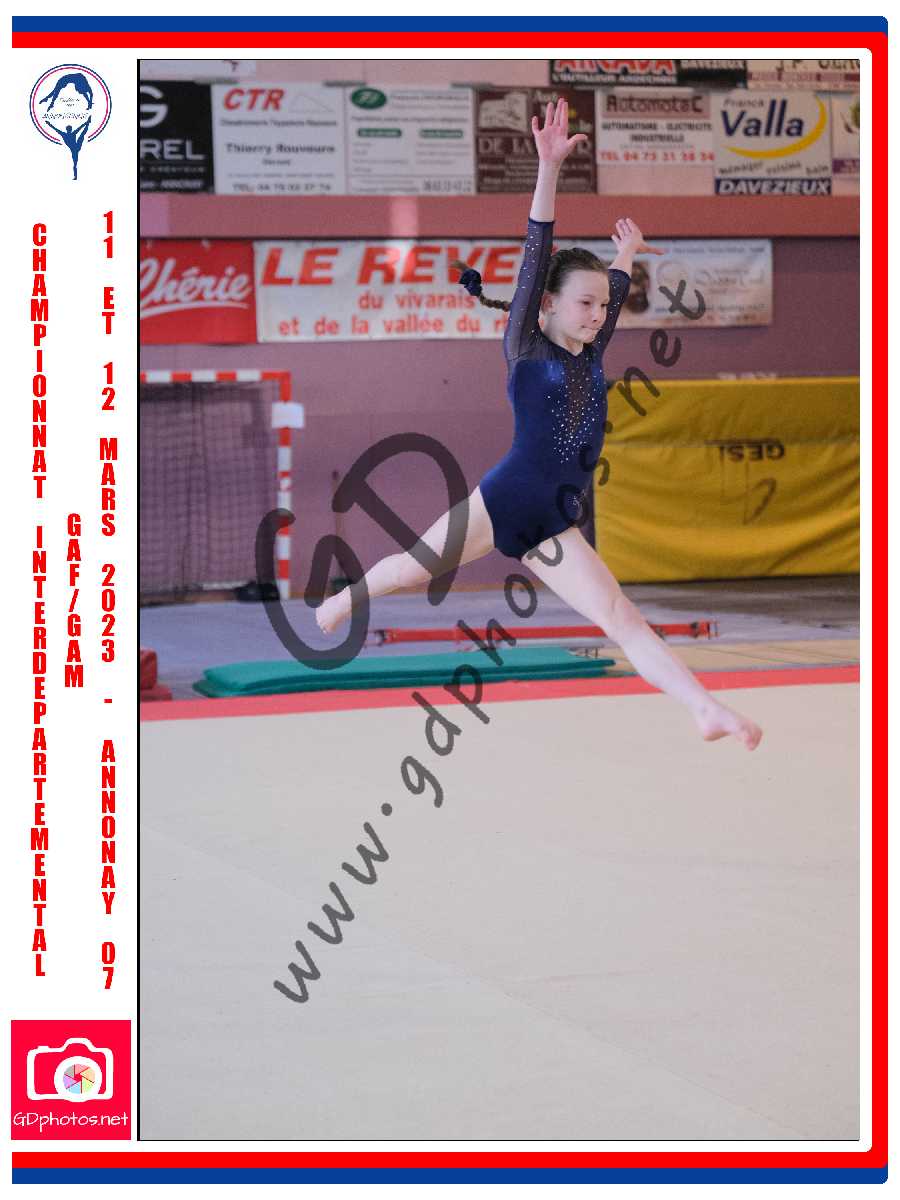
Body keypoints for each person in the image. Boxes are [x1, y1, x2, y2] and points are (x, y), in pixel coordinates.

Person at [316, 99, 762, 751]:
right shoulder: (526, 343)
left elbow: (611, 286)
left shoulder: (591, 348)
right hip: (507, 499)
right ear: (547, 304)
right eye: (583, 304)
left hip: (555, 521)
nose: (596, 315)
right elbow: (537, 246)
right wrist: (549, 167)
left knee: (620, 615)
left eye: (601, 307)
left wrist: (626, 253)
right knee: (414, 570)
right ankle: (344, 599)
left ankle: (705, 709)